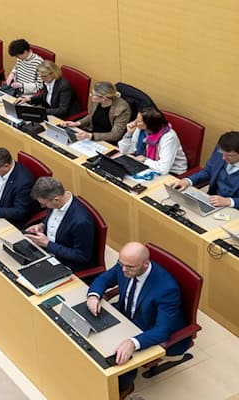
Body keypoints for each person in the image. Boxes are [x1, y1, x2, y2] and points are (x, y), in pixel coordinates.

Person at [87, 241, 188, 397]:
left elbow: (162, 330)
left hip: (147, 329)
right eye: (121, 264)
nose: (123, 270)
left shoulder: (167, 289)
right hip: (125, 315)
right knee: (90, 333)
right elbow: (105, 279)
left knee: (120, 357)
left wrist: (132, 343)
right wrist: (94, 295)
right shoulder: (126, 265)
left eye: (129, 267)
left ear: (146, 264)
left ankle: (124, 387)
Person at [25, 177, 97, 272]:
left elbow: (81, 256)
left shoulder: (81, 221)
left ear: (56, 199)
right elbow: (55, 220)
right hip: (45, 252)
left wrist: (48, 244)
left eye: (45, 204)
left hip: (65, 264)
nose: (43, 207)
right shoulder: (57, 201)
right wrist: (42, 225)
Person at [172, 131, 239, 207]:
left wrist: (229, 202)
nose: (223, 158)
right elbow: (207, 172)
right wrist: (187, 181)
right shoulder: (220, 151)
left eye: (229, 156)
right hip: (212, 201)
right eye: (222, 153)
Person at [117, 108, 189, 176]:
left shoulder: (168, 137)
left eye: (139, 121)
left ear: (149, 124)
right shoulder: (141, 129)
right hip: (149, 165)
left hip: (172, 172)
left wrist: (145, 160)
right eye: (136, 119)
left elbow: (163, 169)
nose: (135, 122)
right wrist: (129, 134)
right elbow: (124, 151)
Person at [61, 81, 131, 143]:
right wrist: (77, 123)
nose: (90, 95)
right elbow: (91, 116)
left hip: (106, 141)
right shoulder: (97, 101)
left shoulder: (122, 109)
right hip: (90, 135)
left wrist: (91, 136)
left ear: (103, 98)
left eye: (93, 94)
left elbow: (115, 135)